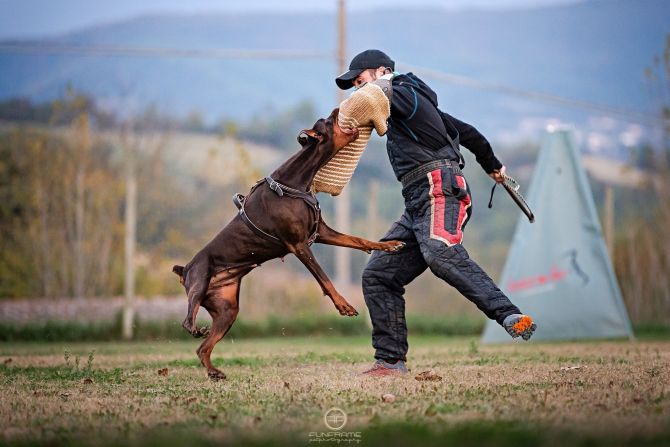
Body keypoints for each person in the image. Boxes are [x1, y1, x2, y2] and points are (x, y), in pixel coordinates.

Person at [335, 49, 537, 376]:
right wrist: (493, 165)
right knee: (379, 274)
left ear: (383, 71)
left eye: (360, 81)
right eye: (356, 85)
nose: (359, 89)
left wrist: (358, 102)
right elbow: (469, 133)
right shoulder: (418, 107)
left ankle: (510, 315)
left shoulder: (402, 90)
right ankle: (390, 361)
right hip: (417, 199)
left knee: (440, 252)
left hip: (439, 187)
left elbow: (381, 91)